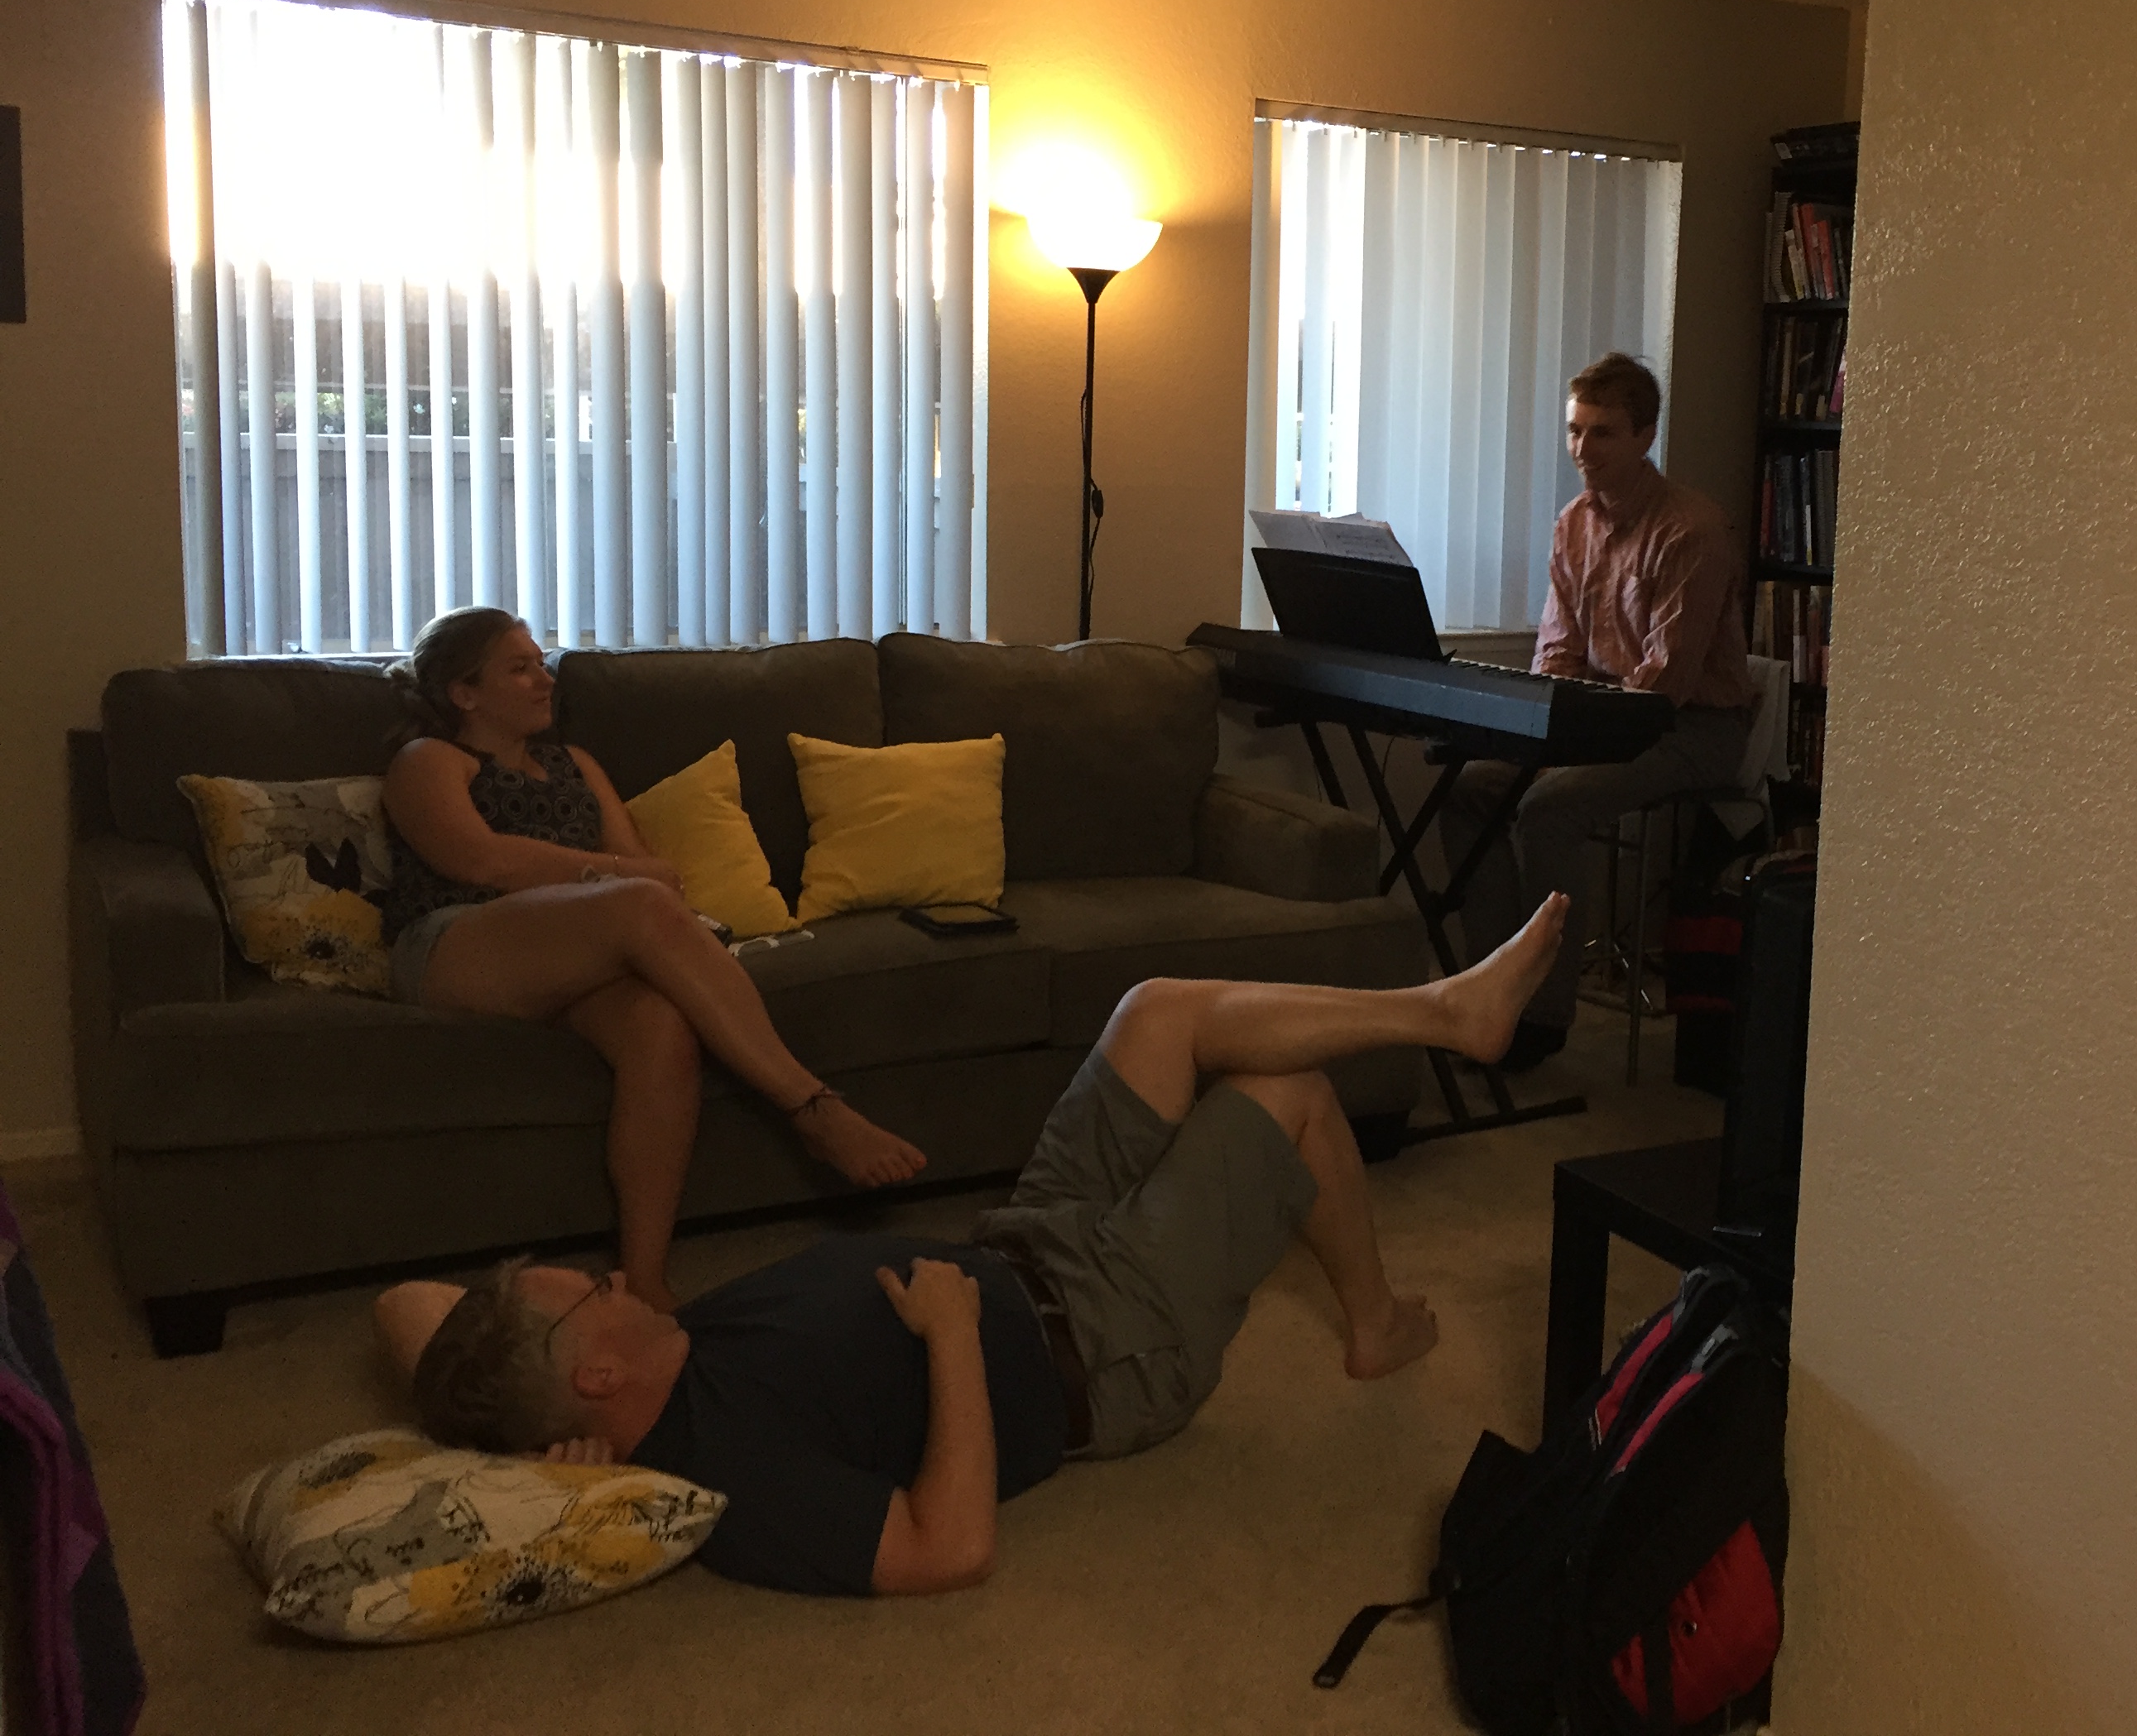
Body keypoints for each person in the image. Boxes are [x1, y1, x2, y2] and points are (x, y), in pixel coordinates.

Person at [372, 894, 1569, 1599]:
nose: (618, 1276)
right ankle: (1372, 1322)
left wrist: (551, 1474)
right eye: (593, 1292)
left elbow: (404, 1305)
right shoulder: (728, 1478)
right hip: (1106, 1347)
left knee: (1156, 1009)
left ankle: (1442, 1013)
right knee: (1285, 1094)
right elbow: (948, 1550)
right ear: (596, 1372)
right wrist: (949, 1340)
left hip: (1031, 1239)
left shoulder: (635, 1382)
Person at [380, 607, 925, 1315]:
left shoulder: (576, 764)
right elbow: (479, 860)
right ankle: (812, 1107)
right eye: (519, 668)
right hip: (457, 943)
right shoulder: (429, 760)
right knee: (637, 901)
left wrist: (620, 880)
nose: (544, 680)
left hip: (574, 956)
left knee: (661, 1027)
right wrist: (611, 879)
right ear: (465, 692)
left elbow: (644, 866)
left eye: (541, 663)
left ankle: (643, 1279)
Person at [1438, 352, 1755, 1072]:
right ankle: (1489, 990)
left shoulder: (1692, 529)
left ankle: (1541, 1017)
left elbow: (1665, 684)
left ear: (1645, 437)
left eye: (1603, 433)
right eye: (1575, 431)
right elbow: (1559, 650)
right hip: (1598, 718)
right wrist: (1547, 726)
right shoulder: (1573, 523)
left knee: (1548, 806)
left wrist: (1570, 741)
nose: (1583, 448)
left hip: (1690, 727)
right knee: (1468, 789)